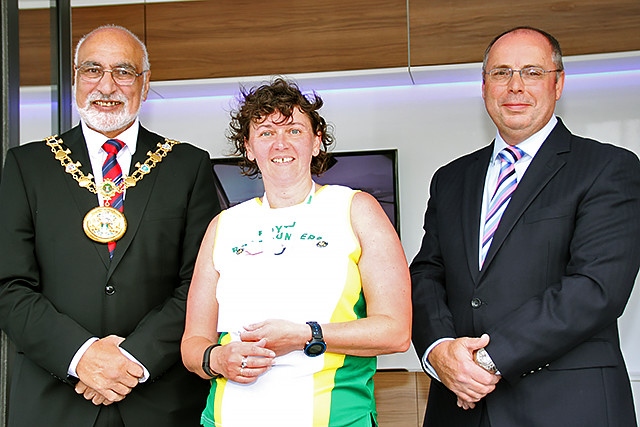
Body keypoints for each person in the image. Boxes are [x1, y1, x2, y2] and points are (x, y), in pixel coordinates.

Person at [410, 26, 640, 427]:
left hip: (567, 407)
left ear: (558, 83)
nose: (515, 86)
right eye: (501, 73)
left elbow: (596, 288)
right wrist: (439, 351)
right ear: (484, 87)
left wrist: (484, 361)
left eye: (532, 72)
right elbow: (427, 273)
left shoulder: (609, 168)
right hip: (460, 407)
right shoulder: (451, 178)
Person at [0, 25, 221, 426]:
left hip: (162, 401)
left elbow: (203, 283)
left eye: (123, 71)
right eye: (92, 70)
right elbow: (9, 285)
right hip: (53, 401)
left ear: (145, 82)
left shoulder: (187, 166)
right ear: (75, 79)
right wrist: (81, 356)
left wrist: (134, 359)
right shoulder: (26, 166)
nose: (106, 85)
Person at [181, 77, 412, 427]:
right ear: (248, 147)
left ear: (317, 142)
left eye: (293, 130)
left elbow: (395, 332)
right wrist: (218, 358)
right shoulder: (223, 226)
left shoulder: (356, 209)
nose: (280, 144)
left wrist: (306, 335)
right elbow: (193, 344)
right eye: (265, 133)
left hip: (335, 419)